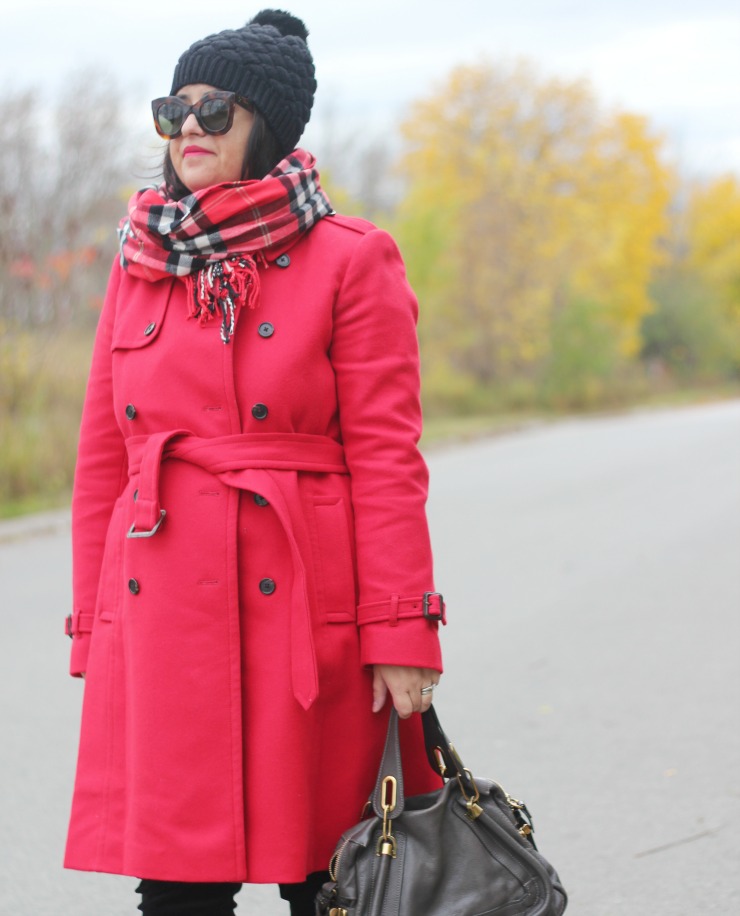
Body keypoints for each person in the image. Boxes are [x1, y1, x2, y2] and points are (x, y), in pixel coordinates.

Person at [64, 9, 445, 915]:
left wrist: (401, 633)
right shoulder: (141, 260)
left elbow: (389, 459)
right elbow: (102, 455)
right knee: (176, 890)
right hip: (159, 608)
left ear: (265, 125)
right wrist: (94, 620)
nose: (189, 128)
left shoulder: (352, 259)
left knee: (332, 877)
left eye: (215, 110)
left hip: (308, 608)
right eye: (174, 110)